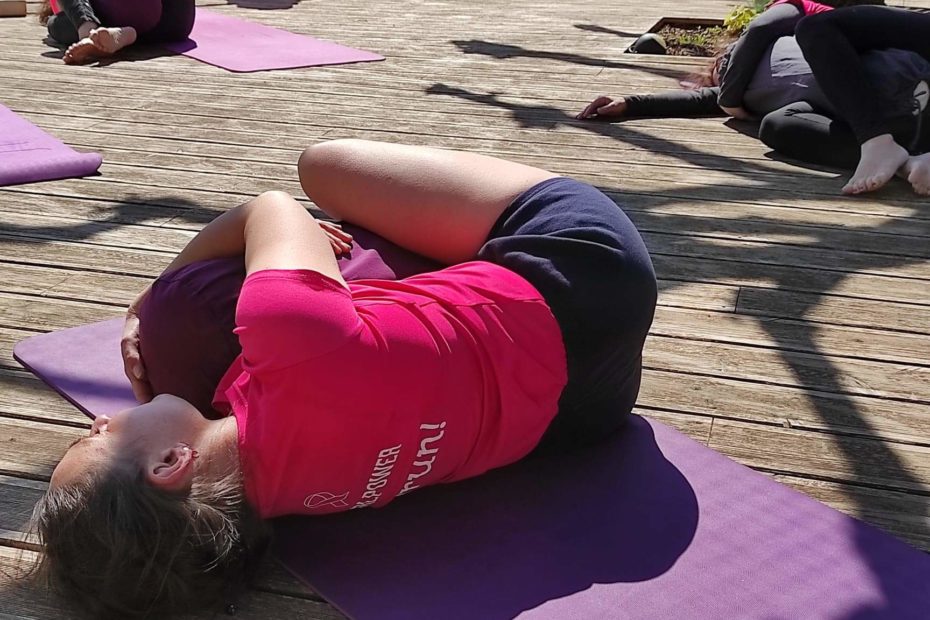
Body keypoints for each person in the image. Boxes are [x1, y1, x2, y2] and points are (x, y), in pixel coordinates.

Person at [30, 139, 658, 618]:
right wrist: (148, 298)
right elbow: (269, 210)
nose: (99, 419)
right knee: (320, 165)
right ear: (171, 461)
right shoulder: (288, 339)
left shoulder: (285, 506)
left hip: (584, 416)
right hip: (586, 271)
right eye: (94, 439)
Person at [577, 1, 930, 196]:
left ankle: (881, 144)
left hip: (913, 53)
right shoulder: (746, 91)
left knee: (816, 29)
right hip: (907, 118)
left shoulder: (794, 11)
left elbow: (759, 29)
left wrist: (730, 95)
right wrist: (630, 103)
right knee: (775, 126)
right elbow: (703, 100)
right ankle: (904, 160)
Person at [39, 0, 195, 64]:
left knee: (56, 24)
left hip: (144, 12)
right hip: (179, 21)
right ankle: (129, 34)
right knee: (57, 22)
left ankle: (88, 30)